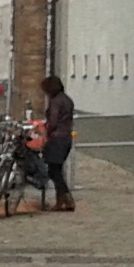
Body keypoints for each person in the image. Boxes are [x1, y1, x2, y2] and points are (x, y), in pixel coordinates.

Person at [41, 74, 76, 212]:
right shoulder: (67, 100)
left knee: (53, 170)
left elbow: (53, 122)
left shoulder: (55, 101)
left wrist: (46, 132)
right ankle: (60, 201)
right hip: (66, 138)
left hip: (57, 138)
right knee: (57, 169)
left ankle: (67, 198)